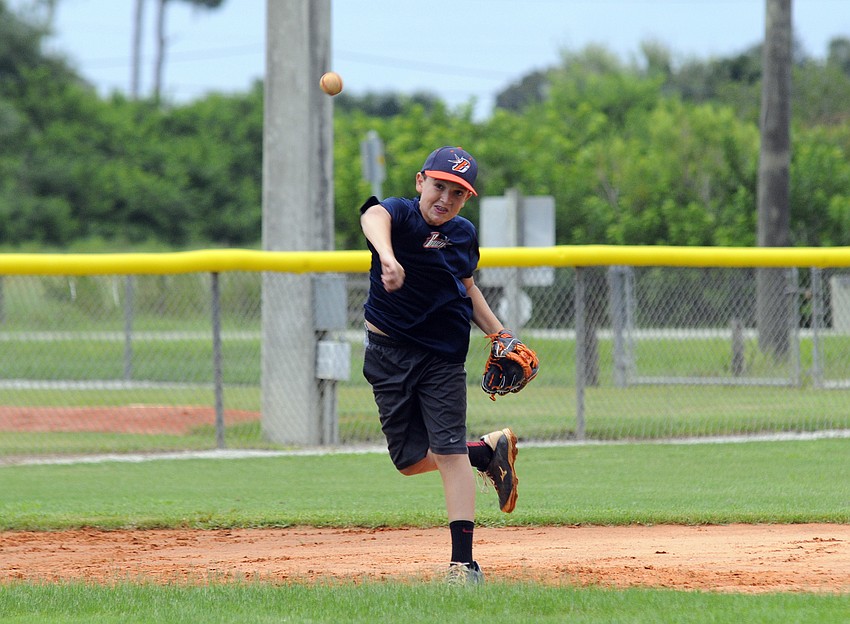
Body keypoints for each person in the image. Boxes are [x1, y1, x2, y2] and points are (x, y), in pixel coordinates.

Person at [359, 145, 519, 585]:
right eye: (438, 186)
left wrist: (499, 334)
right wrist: (388, 258)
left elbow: (466, 289)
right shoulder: (401, 217)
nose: (445, 198)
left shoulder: (463, 234)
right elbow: (373, 216)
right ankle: (485, 452)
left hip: (441, 355)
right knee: (409, 460)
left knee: (448, 451)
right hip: (388, 353)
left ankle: (463, 565)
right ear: (420, 182)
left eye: (457, 193)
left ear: (466, 199)